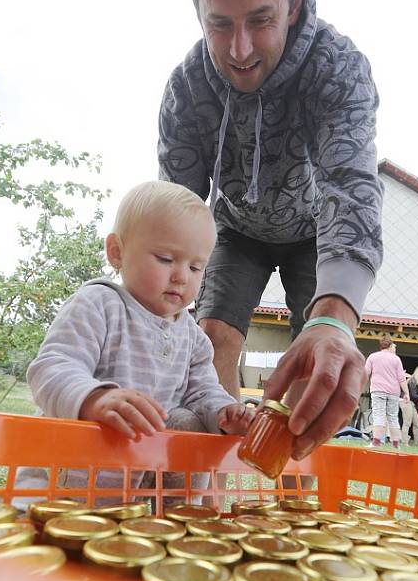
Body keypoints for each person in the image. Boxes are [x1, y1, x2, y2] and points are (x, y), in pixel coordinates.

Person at [158, 0, 383, 462]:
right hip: (235, 230)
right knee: (210, 341)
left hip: (316, 231)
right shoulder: (188, 89)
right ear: (199, 14)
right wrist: (156, 319)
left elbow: (348, 186)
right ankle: (206, 492)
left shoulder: (338, 67)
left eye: (260, 20)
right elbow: (177, 212)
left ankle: (296, 503)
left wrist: (333, 321)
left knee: (316, 363)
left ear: (295, 1)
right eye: (219, 24)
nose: (239, 50)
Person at [22, 181, 253, 497]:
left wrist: (226, 413)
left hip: (128, 494)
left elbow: (203, 391)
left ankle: (179, 516)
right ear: (117, 252)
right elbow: (50, 368)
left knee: (188, 419)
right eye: (165, 258)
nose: (181, 276)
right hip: (63, 485)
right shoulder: (98, 304)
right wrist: (94, 399)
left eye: (196, 267)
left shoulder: (194, 337)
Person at [364, 334, 409, 449]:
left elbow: (365, 373)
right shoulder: (396, 359)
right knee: (393, 417)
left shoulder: (372, 357)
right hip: (394, 392)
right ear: (390, 346)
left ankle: (376, 442)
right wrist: (406, 393)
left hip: (378, 390)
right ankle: (396, 444)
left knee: (378, 415)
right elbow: (401, 378)